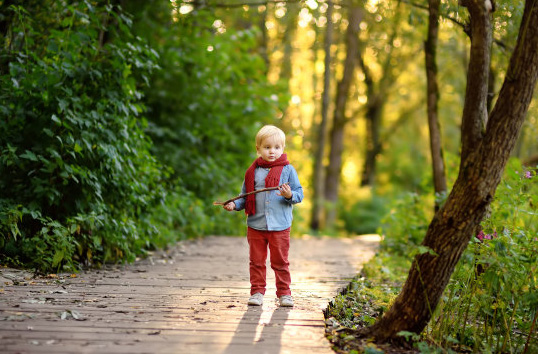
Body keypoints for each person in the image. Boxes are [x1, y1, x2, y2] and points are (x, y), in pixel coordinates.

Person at [223, 125, 303, 307]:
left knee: (280, 262)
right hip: (256, 225)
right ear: (258, 149)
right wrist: (234, 205)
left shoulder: (288, 170)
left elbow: (299, 194)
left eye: (276, 147)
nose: (272, 151)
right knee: (256, 261)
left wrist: (289, 195)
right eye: (267, 147)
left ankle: (284, 294)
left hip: (280, 226)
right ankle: (257, 292)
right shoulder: (253, 172)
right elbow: (245, 196)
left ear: (282, 148)